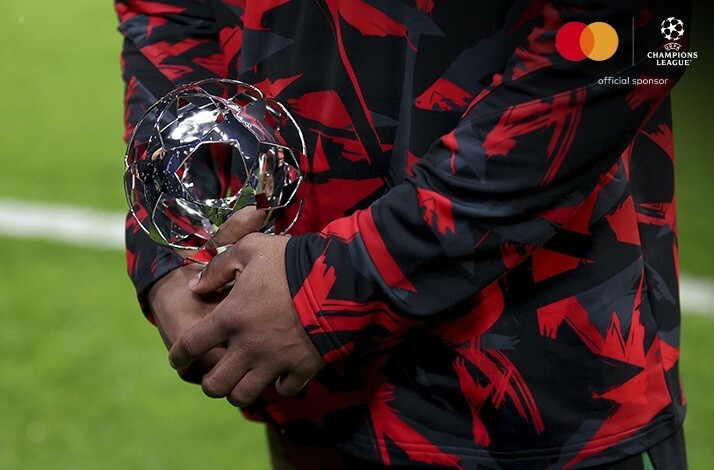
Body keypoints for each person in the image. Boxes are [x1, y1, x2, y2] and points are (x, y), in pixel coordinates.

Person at [116, 0, 690, 468]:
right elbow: (169, 8)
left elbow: (639, 38)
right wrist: (173, 249)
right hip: (298, 371)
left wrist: (331, 287)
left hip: (538, 403)